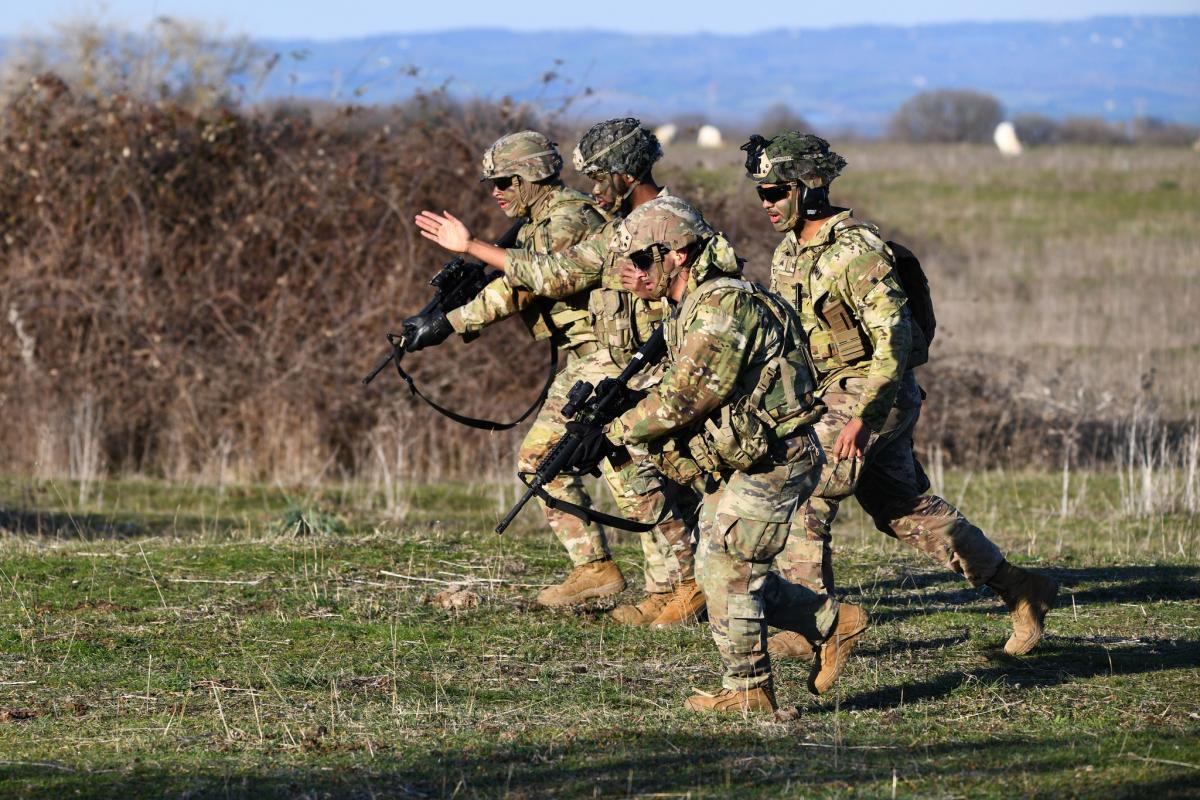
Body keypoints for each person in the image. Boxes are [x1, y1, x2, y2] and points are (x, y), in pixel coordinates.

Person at [739, 131, 1057, 659]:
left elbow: (894, 341)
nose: (767, 204)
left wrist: (864, 418)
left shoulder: (858, 253)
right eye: (761, 194)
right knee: (903, 510)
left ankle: (811, 625)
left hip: (871, 396)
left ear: (809, 189)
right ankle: (1021, 588)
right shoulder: (789, 251)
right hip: (830, 394)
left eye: (776, 192)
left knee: (804, 489)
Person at [568, 196, 869, 713]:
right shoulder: (693, 305)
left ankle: (750, 690)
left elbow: (686, 398)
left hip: (776, 457)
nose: (632, 275)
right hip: (748, 457)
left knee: (729, 567)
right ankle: (832, 622)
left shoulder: (723, 306)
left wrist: (616, 431)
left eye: (641, 261)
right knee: (717, 569)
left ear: (677, 255)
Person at [412, 121, 703, 625]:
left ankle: (684, 585)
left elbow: (545, 278)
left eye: (505, 182)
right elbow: (550, 273)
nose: (590, 188)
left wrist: (463, 275)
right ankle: (644, 580)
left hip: (632, 359)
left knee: (632, 471)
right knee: (586, 465)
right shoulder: (621, 224)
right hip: (611, 357)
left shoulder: (648, 221)